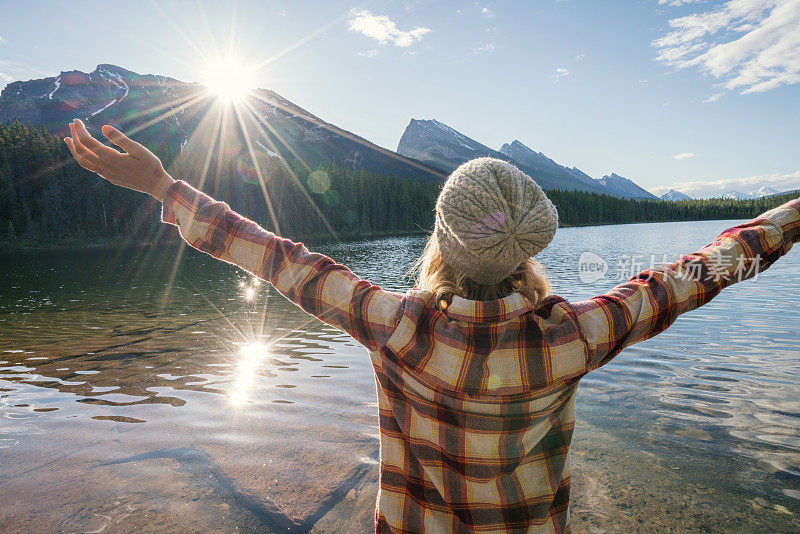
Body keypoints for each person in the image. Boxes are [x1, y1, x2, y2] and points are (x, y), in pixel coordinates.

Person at [64, 118, 800, 533]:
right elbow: (697, 273)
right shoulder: (575, 337)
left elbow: (276, 258)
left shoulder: (394, 326)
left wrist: (163, 186)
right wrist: (789, 219)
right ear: (531, 249)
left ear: (441, 244)